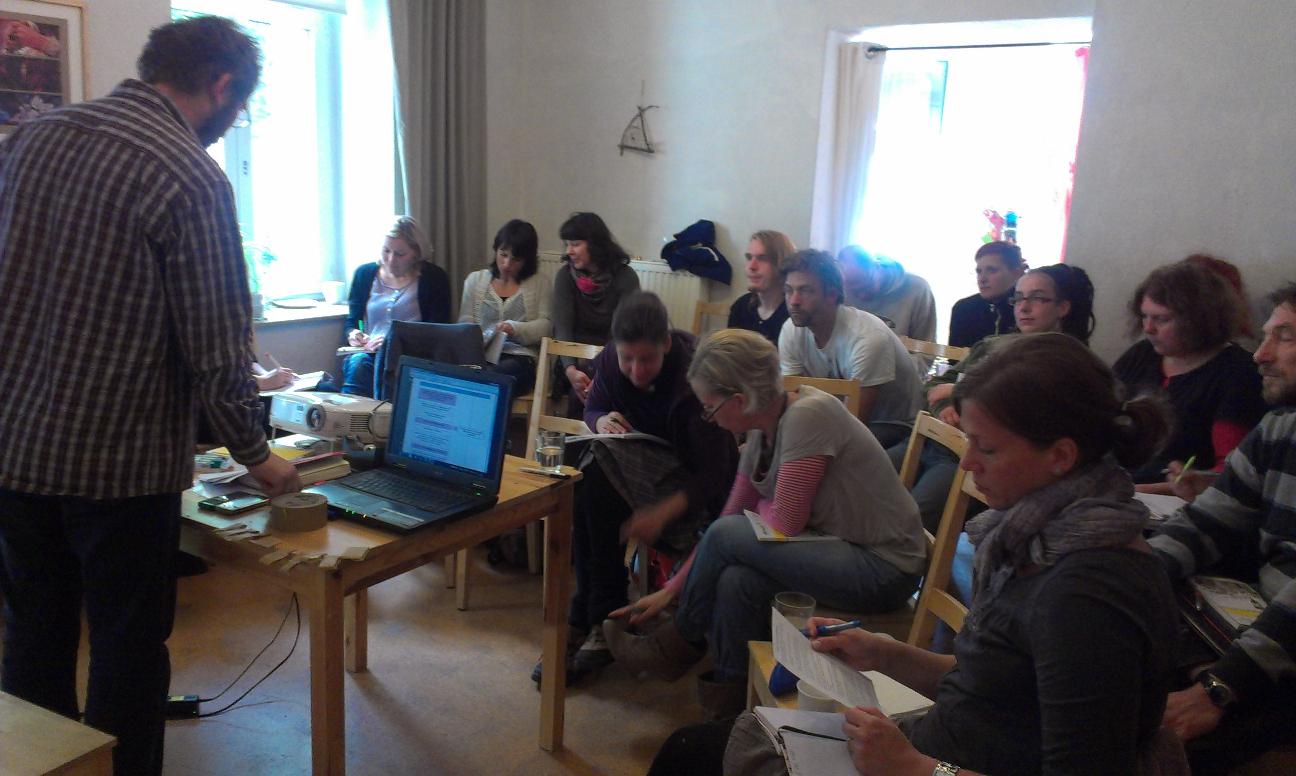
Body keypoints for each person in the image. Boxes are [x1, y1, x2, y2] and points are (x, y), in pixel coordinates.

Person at [0, 17, 300, 776]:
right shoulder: (189, 176)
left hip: (15, 449)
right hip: (119, 468)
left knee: (32, 637)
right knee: (127, 650)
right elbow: (217, 345)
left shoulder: (31, 140)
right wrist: (257, 455)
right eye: (242, 105)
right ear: (222, 87)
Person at [810, 332, 1177, 775]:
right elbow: (991, 686)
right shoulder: (1034, 538)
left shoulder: (1087, 595)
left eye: (985, 447)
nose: (967, 463)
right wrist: (883, 654)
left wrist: (914, 767)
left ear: (1061, 455)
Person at [604, 328, 926, 720]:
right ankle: (730, 709)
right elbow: (732, 517)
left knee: (727, 538)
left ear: (738, 400)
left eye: (709, 408)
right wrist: (673, 587)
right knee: (736, 580)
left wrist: (678, 591)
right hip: (840, 549)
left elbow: (785, 521)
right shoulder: (762, 429)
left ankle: (675, 643)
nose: (710, 419)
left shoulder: (809, 415)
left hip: (884, 567)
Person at [537, 292, 737, 686]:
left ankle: (592, 614)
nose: (635, 370)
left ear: (667, 344)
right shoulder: (613, 360)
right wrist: (600, 420)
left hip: (693, 485)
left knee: (596, 479)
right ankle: (597, 613)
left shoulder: (695, 378)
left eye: (646, 359)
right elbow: (592, 408)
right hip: (640, 466)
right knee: (590, 481)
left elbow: (714, 474)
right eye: (627, 358)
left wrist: (662, 512)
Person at [1151, 282, 1296, 775]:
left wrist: (1220, 686)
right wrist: (1131, 577)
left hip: (1275, 658)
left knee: (1139, 741)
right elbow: (1208, 518)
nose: (1261, 354)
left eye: (1284, 337)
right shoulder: (1280, 428)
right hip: (1255, 635)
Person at [907, 264, 1096, 533]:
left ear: (1063, 307)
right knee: (867, 478)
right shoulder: (993, 344)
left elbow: (1016, 413)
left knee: (910, 521)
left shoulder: (1068, 363)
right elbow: (935, 386)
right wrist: (947, 407)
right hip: (936, 440)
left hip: (969, 458)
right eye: (1018, 298)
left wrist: (958, 392)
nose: (1024, 307)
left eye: (1037, 298)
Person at [1114, 258, 1266, 491]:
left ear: (1198, 321)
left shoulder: (1237, 373)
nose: (1148, 328)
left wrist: (1135, 491)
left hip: (1174, 499)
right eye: (1144, 316)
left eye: (1161, 319)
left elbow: (1228, 471)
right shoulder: (1141, 354)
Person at [778, 249, 923, 448]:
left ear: (832, 295)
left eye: (805, 291)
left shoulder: (868, 337)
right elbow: (792, 402)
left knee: (812, 450)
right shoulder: (791, 330)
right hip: (839, 418)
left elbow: (853, 425)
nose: (793, 301)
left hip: (897, 426)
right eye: (788, 290)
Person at [341, 215, 451, 396]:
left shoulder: (434, 278)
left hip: (412, 355)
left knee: (391, 375)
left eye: (400, 254)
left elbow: (438, 330)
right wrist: (353, 334)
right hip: (369, 353)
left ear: (416, 253)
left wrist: (392, 343)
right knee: (359, 365)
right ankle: (348, 412)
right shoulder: (364, 274)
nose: (391, 259)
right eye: (386, 251)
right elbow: (352, 321)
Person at [550, 212, 640, 412]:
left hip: (612, 359)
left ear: (595, 244)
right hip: (572, 361)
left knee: (597, 392)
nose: (569, 251)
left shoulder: (626, 277)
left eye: (575, 244)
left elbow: (622, 332)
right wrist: (570, 370)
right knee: (581, 391)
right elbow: (562, 329)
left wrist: (601, 371)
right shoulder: (565, 276)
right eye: (567, 244)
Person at [458, 219, 552, 394]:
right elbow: (464, 324)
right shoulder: (475, 280)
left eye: (516, 259)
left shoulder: (540, 283)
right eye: (503, 254)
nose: (507, 264)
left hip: (520, 357)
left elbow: (546, 327)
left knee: (496, 377)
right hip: (481, 356)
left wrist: (514, 328)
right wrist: (482, 337)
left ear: (527, 260)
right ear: (496, 250)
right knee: (467, 374)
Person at [837, 245, 937, 342]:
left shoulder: (917, 289)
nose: (862, 296)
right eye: (854, 292)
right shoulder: (841, 290)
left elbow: (926, 348)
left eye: (866, 287)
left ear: (878, 269)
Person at [948, 241, 1026, 348]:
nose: (982, 279)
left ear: (1016, 273)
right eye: (979, 272)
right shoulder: (964, 309)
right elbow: (955, 356)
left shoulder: (1027, 308)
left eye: (992, 270)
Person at [726, 229, 794, 345]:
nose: (752, 266)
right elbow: (730, 353)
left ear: (782, 263)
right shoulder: (741, 306)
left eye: (762, 258)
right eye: (749, 258)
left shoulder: (794, 314)